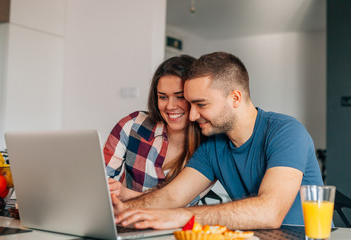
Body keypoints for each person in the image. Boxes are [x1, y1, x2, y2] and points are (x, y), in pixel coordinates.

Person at [111, 52, 324, 230]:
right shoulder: (213, 144)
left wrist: (179, 217)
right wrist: (124, 210)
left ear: (235, 98)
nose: (192, 116)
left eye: (201, 104)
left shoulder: (286, 132)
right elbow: (172, 196)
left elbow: (270, 212)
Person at [103, 55, 209, 204]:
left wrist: (125, 194)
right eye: (163, 97)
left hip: (175, 227)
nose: (170, 106)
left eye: (180, 97)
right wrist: (113, 190)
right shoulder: (133, 125)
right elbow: (103, 186)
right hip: (127, 223)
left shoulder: (211, 149)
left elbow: (179, 203)